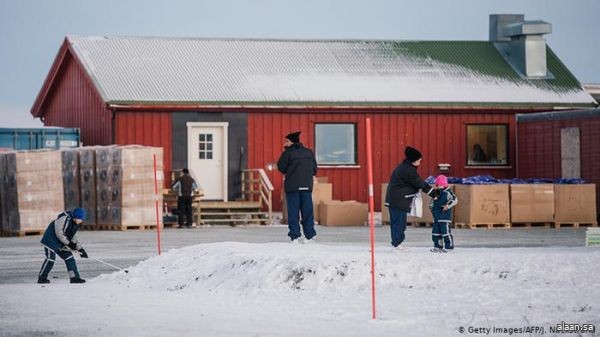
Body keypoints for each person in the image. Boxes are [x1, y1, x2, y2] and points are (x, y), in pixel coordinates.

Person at [385, 146, 438, 250]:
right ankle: (397, 244)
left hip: (397, 199)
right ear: (413, 160)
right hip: (397, 200)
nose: (420, 162)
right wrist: (434, 193)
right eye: (419, 160)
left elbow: (413, 183)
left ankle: (397, 243)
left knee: (399, 222)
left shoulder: (405, 168)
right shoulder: (407, 170)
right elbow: (420, 183)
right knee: (399, 223)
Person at [277, 131, 318, 243]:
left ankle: (295, 236)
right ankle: (310, 236)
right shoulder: (309, 153)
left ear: (291, 142)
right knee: (307, 212)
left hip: (292, 188)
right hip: (306, 187)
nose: (285, 143)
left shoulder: (287, 154)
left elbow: (281, 168)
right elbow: (314, 170)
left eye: (286, 141)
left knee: (293, 213)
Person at [38, 208, 88, 284]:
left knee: (69, 258)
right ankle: (42, 278)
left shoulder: (76, 224)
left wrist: (81, 250)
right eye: (81, 219)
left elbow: (74, 238)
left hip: (61, 243)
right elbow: (59, 233)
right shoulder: (65, 218)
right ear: (76, 217)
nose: (82, 221)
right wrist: (69, 244)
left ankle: (74, 278)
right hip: (51, 240)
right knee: (50, 259)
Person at [429, 175, 458, 253]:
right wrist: (431, 208)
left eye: (441, 185)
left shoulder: (448, 192)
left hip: (444, 217)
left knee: (445, 233)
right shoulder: (435, 193)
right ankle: (438, 246)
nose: (439, 187)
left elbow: (455, 200)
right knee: (435, 233)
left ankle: (449, 247)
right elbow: (432, 202)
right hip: (436, 217)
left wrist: (447, 206)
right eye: (438, 185)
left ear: (445, 185)